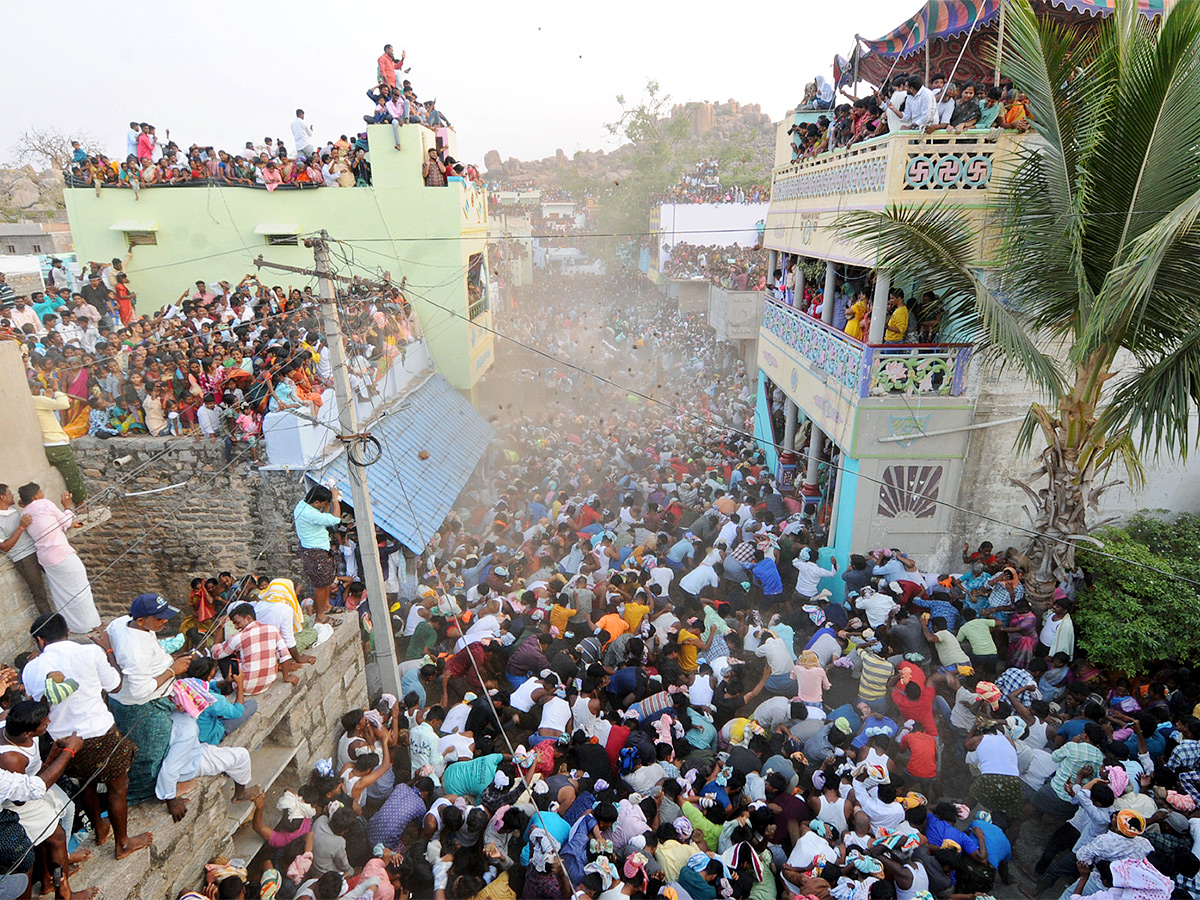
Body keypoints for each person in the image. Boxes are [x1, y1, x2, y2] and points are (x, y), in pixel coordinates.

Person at [23, 613, 154, 861]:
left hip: (64, 744)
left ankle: (100, 828)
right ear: (68, 631)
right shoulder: (89, 653)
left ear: (40, 640)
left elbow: (34, 704)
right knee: (118, 785)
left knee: (85, 782)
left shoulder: (31, 668)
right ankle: (122, 843)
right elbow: (115, 685)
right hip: (100, 735)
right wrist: (107, 652)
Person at [106, 594, 193, 815]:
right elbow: (140, 690)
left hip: (142, 698)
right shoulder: (135, 652)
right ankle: (142, 796)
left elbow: (106, 633)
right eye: (159, 618)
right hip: (141, 706)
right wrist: (173, 670)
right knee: (148, 754)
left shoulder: (122, 623)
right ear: (142, 620)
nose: (165, 622)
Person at [17, 483, 101, 634]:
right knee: (81, 589)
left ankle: (71, 626)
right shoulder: (44, 504)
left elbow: (51, 526)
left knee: (61, 594)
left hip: (45, 558)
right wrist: (67, 507)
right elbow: (66, 522)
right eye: (41, 491)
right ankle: (90, 625)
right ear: (36, 496)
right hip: (61, 554)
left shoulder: (24, 514)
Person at [293, 484, 343, 625]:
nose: (325, 505)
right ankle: (320, 615)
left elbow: (322, 515)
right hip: (315, 552)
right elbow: (335, 519)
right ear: (316, 502)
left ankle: (326, 606)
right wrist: (334, 500)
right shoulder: (310, 514)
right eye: (323, 503)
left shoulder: (302, 505)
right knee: (320, 585)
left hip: (315, 549)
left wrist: (327, 500)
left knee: (326, 580)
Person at [0, 483, 51, 616]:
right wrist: (21, 527)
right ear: (2, 497)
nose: (12, 495)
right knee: (39, 592)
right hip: (23, 558)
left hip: (37, 549)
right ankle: (51, 627)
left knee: (57, 581)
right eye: (9, 493)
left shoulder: (12, 510)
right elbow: (5, 546)